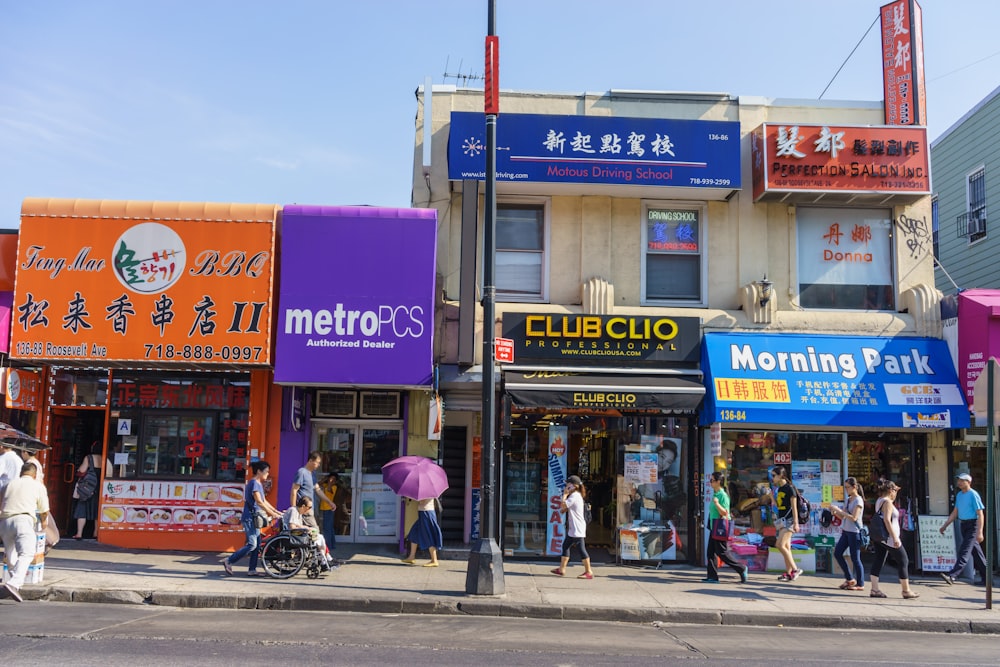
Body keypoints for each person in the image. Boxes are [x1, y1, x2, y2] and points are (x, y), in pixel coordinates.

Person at [0, 463, 50, 602]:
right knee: (27, 553)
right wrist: (44, 523)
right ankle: (13, 584)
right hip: (23, 520)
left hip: (5, 521)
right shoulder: (38, 486)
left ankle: (15, 585)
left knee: (10, 555)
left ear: (21, 473)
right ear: (34, 475)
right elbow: (44, 510)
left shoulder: (9, 484)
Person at [224, 460, 281, 577]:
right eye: (266, 472)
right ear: (259, 471)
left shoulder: (258, 484)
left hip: (254, 518)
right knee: (252, 544)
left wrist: (276, 511)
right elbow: (259, 502)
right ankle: (229, 560)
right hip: (250, 518)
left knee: (257, 544)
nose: (267, 474)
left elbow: (264, 501)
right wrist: (272, 513)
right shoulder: (254, 483)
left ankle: (252, 569)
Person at [869, 479, 919, 599]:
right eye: (895, 490)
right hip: (889, 538)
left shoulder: (879, 501)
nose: (896, 493)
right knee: (903, 560)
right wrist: (895, 537)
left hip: (880, 537)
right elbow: (887, 520)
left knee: (879, 560)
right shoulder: (887, 503)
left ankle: (874, 589)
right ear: (891, 490)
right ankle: (906, 590)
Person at [938, 472, 986, 586]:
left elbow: (980, 514)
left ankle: (952, 575)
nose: (959, 482)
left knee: (964, 551)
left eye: (962, 480)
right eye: (958, 480)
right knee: (977, 553)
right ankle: (987, 577)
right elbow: (955, 512)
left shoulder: (973, 494)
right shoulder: (959, 495)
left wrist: (980, 532)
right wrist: (945, 525)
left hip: (973, 525)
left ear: (968, 482)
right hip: (963, 524)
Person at [703, 471, 749, 584]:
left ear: (718, 482)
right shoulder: (716, 494)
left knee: (722, 553)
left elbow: (725, 512)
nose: (710, 483)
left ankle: (741, 568)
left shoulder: (722, 496)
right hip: (714, 526)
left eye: (712, 480)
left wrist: (717, 503)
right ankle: (712, 576)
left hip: (720, 527)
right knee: (710, 553)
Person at [551, 475, 593, 579]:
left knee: (581, 549)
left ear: (574, 486)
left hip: (577, 527)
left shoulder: (574, 496)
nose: (566, 486)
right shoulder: (576, 496)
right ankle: (562, 569)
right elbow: (568, 508)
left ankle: (589, 571)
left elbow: (564, 505)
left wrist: (565, 495)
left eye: (568, 484)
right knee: (565, 546)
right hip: (574, 527)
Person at [831, 477, 865, 591]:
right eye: (845, 487)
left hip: (854, 532)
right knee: (838, 553)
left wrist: (840, 511)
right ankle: (849, 578)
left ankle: (860, 583)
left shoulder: (858, 500)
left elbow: (854, 517)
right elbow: (843, 517)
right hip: (846, 530)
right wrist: (835, 512)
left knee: (855, 558)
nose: (846, 490)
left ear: (854, 487)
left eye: (848, 487)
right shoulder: (849, 499)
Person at [282, 496, 334, 570]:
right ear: (303, 506)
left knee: (319, 536)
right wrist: (305, 529)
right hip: (291, 534)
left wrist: (307, 528)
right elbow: (292, 527)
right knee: (318, 538)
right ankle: (325, 560)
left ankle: (325, 559)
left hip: (296, 533)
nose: (310, 509)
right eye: (309, 507)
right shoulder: (294, 511)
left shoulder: (298, 512)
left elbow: (297, 525)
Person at [290, 451, 335, 537]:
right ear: (310, 461)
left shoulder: (312, 474)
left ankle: (308, 550)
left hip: (311, 508)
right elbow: (294, 490)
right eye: (317, 462)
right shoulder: (301, 472)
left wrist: (329, 502)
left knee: (308, 534)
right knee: (315, 532)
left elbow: (318, 490)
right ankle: (318, 550)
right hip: (304, 509)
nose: (318, 465)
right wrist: (294, 508)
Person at [770, 466, 801, 582]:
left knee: (780, 545)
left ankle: (795, 569)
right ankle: (788, 573)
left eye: (774, 475)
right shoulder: (780, 489)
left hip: (790, 521)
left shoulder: (790, 488)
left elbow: (794, 507)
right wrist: (772, 498)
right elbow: (779, 507)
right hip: (782, 520)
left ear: (780, 476)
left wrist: (796, 523)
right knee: (786, 547)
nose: (772, 478)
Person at [71, 442, 103, 540]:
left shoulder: (89, 458)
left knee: (82, 510)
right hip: (98, 488)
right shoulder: (104, 458)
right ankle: (96, 532)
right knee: (97, 511)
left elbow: (82, 470)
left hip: (87, 488)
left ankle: (79, 533)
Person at [402, 496, 443, 567]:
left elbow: (423, 500)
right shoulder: (426, 488)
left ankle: (434, 560)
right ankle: (411, 557)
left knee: (428, 535)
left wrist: (414, 498)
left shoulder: (427, 490)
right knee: (414, 532)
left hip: (426, 513)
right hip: (423, 512)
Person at [317, 473, 339, 555]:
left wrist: (330, 482)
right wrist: (324, 479)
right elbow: (317, 485)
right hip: (324, 508)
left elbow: (329, 489)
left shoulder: (334, 487)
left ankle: (328, 545)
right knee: (330, 527)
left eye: (333, 479)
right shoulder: (325, 484)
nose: (331, 480)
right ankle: (332, 544)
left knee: (327, 528)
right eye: (330, 478)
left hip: (329, 508)